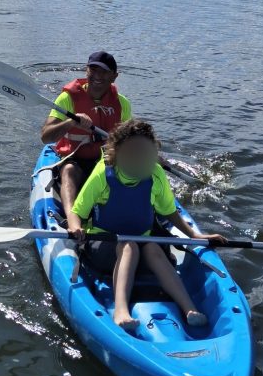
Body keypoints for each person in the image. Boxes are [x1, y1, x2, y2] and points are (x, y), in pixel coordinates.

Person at [70, 118, 226, 331]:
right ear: (117, 153)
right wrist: (75, 227)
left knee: (153, 247)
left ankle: (189, 309)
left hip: (142, 239)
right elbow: (77, 211)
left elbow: (169, 212)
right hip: (103, 243)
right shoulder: (103, 174)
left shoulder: (156, 174)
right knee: (128, 246)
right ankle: (121, 310)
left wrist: (194, 236)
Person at [41, 52, 132, 237]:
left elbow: (128, 140)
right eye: (93, 69)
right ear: (86, 70)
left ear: (114, 76)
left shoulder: (122, 103)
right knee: (69, 171)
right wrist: (71, 122)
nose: (97, 75)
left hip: (106, 160)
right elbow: (46, 137)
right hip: (75, 158)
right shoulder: (67, 99)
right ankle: (72, 220)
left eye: (104, 71)